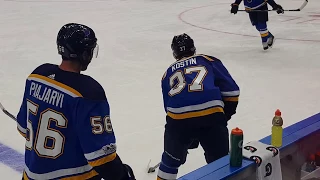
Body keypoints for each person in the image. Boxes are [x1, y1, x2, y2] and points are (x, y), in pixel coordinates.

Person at [16, 23, 135, 180]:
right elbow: (101, 158)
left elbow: (23, 128)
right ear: (85, 54)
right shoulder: (88, 92)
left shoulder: (37, 75)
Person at [157, 33, 240, 180]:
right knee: (219, 163)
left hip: (178, 120)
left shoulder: (167, 73)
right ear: (193, 48)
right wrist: (221, 116)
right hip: (212, 117)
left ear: (175, 53)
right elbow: (232, 92)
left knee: (169, 161)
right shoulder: (208, 60)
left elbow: (168, 107)